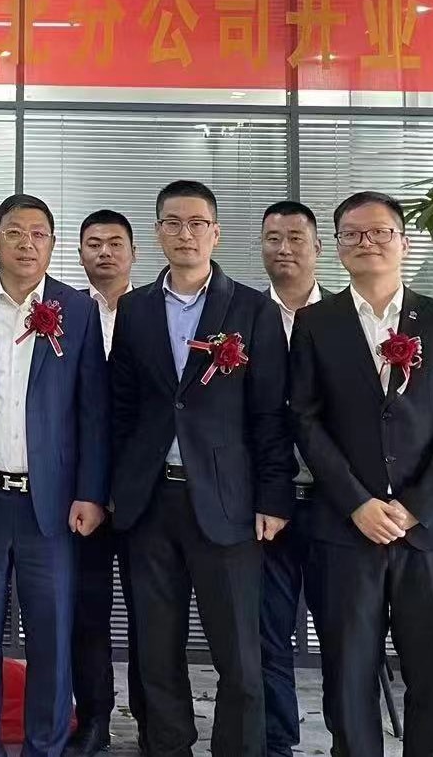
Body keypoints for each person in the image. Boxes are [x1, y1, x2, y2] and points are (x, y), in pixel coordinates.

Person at [289, 192, 433, 757]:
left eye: (379, 232)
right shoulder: (316, 323)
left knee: (431, 675)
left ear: (404, 242)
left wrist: (414, 506)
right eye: (352, 234)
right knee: (348, 674)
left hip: (428, 532)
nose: (366, 242)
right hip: (346, 529)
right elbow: (305, 420)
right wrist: (356, 501)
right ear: (337, 247)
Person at [107, 181, 293, 757]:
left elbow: (270, 413)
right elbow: (121, 408)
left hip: (228, 503)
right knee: (156, 647)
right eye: (172, 223)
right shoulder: (135, 308)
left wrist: (273, 496)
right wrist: (114, 488)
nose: (184, 234)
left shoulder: (252, 309)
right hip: (149, 502)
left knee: (238, 651)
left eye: (196, 224)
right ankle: (168, 746)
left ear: (216, 233)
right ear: (157, 232)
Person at [0, 193, 109, 757]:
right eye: (14, 232)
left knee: (51, 638)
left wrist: (90, 492)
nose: (26, 244)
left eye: (38, 234)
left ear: (52, 244)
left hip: (51, 506)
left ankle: (46, 746)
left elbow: (92, 410)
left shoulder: (76, 310)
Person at [69, 209, 145, 757]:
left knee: (152, 614)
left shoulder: (158, 311)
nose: (104, 252)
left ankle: (151, 716)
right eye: (93, 243)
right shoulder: (67, 311)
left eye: (115, 243)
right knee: (88, 610)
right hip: (83, 491)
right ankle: (94, 716)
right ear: (79, 254)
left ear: (133, 253)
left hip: (147, 490)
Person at [256, 201, 326, 757]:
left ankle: (350, 735)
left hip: (336, 505)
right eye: (273, 238)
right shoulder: (244, 316)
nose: (284, 248)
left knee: (345, 634)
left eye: (295, 238)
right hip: (266, 505)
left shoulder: (348, 318)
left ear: (318, 248)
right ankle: (277, 740)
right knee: (267, 632)